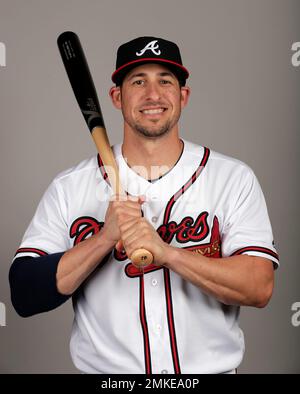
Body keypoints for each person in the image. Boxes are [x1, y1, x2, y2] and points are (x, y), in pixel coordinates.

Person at [9, 36, 279, 374]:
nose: (153, 94)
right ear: (116, 97)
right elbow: (24, 293)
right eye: (138, 81)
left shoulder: (232, 178)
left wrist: (168, 254)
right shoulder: (70, 187)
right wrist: (103, 240)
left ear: (183, 96)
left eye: (165, 81)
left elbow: (259, 286)